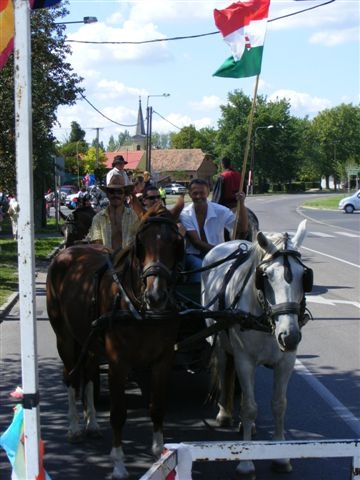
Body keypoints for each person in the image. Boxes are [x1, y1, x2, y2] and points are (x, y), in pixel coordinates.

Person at [179, 178, 248, 283]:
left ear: (208, 193)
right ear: (190, 194)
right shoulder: (185, 214)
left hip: (219, 254)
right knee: (199, 268)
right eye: (195, 193)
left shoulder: (221, 210)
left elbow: (242, 228)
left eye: (202, 193)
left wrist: (241, 204)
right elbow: (197, 242)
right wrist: (224, 254)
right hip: (194, 255)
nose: (198, 197)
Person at [89, 175, 144, 250]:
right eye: (112, 192)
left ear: (125, 195)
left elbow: (138, 242)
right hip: (106, 259)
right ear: (107, 194)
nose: (116, 195)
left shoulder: (133, 216)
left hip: (128, 260)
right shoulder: (98, 218)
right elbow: (98, 246)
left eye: (119, 192)